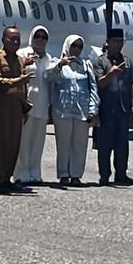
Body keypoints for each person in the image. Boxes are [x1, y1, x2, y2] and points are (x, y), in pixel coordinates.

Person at [0, 26, 35, 195]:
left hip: (16, 108)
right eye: (11, 39)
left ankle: (7, 178)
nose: (15, 42)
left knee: (14, 144)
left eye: (17, 39)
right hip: (2, 108)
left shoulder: (19, 60)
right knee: (1, 144)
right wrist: (17, 81)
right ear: (3, 40)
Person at [48, 34, 98, 184]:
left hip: (82, 110)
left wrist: (93, 109)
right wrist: (60, 65)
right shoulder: (57, 63)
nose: (76, 49)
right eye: (73, 46)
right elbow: (49, 77)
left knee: (80, 143)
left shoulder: (86, 65)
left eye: (79, 46)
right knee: (63, 143)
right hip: (63, 109)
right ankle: (63, 174)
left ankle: (76, 174)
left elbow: (93, 88)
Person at [93, 28, 133, 185]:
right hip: (106, 109)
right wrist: (111, 74)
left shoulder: (127, 61)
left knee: (122, 143)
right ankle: (104, 175)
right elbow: (99, 84)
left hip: (123, 108)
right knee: (105, 144)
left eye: (121, 42)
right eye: (115, 41)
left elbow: (131, 83)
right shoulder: (100, 61)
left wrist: (132, 104)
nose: (118, 45)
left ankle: (121, 174)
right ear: (108, 42)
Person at [15, 25, 55, 185]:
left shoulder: (48, 58)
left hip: (42, 103)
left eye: (44, 37)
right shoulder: (22, 54)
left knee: (38, 141)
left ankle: (34, 172)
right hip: (27, 103)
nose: (40, 39)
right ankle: (20, 173)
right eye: (37, 36)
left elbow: (50, 79)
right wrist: (24, 63)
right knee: (23, 141)